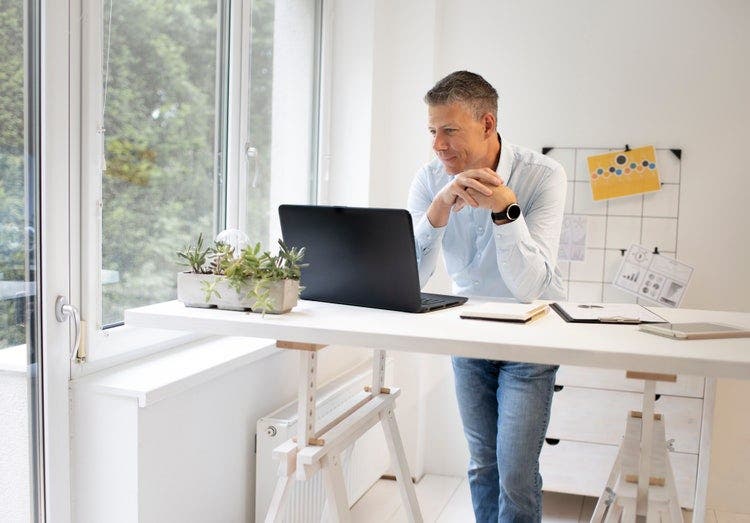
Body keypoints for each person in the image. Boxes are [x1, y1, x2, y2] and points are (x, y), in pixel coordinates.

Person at [407, 70, 567, 522]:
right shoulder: (429, 180)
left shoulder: (543, 176)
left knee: (516, 475)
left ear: (487, 124)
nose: (439, 144)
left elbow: (531, 287)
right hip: (470, 337)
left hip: (531, 338)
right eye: (433, 131)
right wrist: (437, 212)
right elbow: (413, 278)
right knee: (482, 466)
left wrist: (505, 212)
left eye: (450, 130)